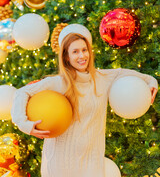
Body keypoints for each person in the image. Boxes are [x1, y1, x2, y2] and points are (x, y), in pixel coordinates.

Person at [11, 24, 158, 177]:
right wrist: (25, 125)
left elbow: (126, 73)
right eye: (75, 52)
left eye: (84, 50)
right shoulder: (59, 82)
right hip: (61, 163)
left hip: (91, 162)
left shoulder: (102, 78)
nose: (82, 56)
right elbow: (22, 93)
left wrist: (151, 82)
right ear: (66, 57)